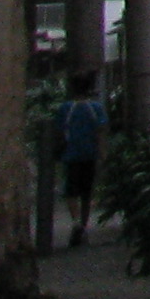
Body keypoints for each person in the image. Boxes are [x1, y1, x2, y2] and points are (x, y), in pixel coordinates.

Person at [56, 71, 108, 247]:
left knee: (71, 191)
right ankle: (84, 225)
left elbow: (59, 131)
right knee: (87, 192)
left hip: (71, 154)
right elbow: (100, 132)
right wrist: (103, 154)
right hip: (89, 154)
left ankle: (76, 221)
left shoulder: (65, 108)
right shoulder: (96, 108)